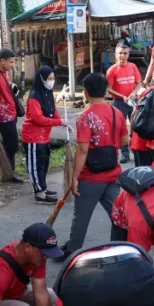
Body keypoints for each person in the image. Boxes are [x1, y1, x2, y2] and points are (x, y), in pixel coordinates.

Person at [62, 73, 129, 257]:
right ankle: (125, 247)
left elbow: (83, 149)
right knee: (118, 214)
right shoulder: (117, 112)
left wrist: (74, 177)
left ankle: (72, 251)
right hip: (112, 172)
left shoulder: (85, 117)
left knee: (82, 216)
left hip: (90, 176)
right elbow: (124, 140)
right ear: (107, 90)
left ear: (86, 93)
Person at [22, 66, 64, 203]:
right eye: (49, 79)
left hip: (45, 136)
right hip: (33, 137)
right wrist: (58, 122)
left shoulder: (48, 92)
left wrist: (63, 122)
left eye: (53, 78)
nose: (51, 81)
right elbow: (38, 119)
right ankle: (39, 192)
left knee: (44, 164)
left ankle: (43, 188)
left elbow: (53, 110)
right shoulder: (34, 96)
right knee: (36, 165)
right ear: (41, 79)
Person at [0, 48, 23, 183]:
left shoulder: (4, 73)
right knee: (11, 146)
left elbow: (5, 85)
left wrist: (12, 86)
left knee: (10, 146)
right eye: (11, 62)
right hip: (2, 116)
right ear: (2, 61)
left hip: (10, 113)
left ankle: (9, 174)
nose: (12, 65)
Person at [106, 44, 143, 162]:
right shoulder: (112, 70)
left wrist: (133, 93)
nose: (122, 56)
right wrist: (122, 96)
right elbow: (109, 88)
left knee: (136, 125)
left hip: (133, 101)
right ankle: (124, 153)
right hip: (119, 102)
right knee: (120, 129)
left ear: (128, 54)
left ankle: (137, 148)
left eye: (125, 53)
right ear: (116, 55)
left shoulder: (133, 66)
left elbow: (139, 83)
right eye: (120, 53)